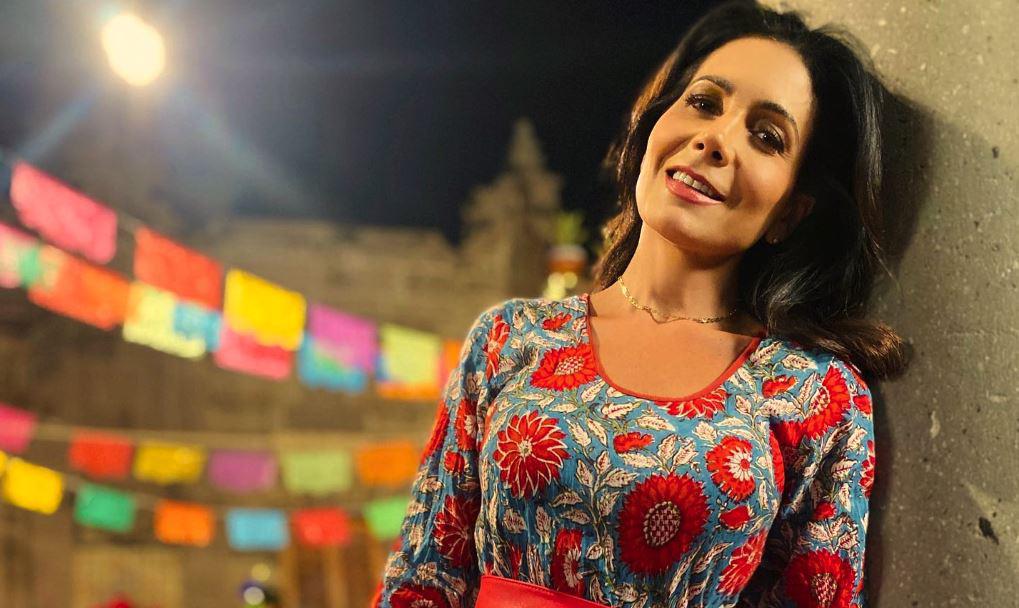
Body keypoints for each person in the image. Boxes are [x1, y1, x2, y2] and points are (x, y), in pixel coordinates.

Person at [371, 1, 910, 606]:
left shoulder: (815, 396)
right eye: (704, 102)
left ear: (790, 211)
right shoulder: (512, 339)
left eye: (766, 136)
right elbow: (423, 580)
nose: (715, 138)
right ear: (655, 126)